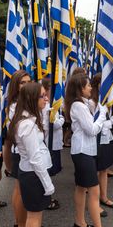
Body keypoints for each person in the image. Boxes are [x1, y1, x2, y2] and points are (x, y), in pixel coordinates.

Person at [65, 73, 113, 227]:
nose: (91, 88)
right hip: (83, 152)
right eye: (87, 86)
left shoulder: (83, 103)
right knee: (94, 192)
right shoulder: (78, 105)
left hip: (85, 151)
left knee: (81, 187)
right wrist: (102, 115)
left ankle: (79, 222)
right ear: (80, 89)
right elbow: (92, 130)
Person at [8, 82, 57, 227]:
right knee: (33, 215)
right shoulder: (27, 125)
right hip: (33, 175)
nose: (46, 98)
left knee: (38, 211)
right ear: (31, 99)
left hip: (34, 172)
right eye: (42, 96)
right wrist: (48, 183)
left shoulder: (29, 119)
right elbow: (35, 158)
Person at [6, 70, 31, 227]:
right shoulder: (16, 104)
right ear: (16, 85)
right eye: (23, 83)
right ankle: (21, 224)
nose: (27, 85)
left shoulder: (24, 101)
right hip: (20, 150)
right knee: (20, 189)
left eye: (29, 82)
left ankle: (19, 221)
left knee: (19, 187)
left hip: (23, 149)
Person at [90, 73, 113, 215]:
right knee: (95, 170)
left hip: (106, 138)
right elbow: (94, 125)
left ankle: (104, 197)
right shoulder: (92, 102)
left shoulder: (108, 99)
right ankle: (94, 203)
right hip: (95, 140)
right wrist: (110, 121)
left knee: (104, 169)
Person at [42, 77, 64, 210]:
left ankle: (47, 196)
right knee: (47, 171)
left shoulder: (53, 103)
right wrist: (61, 119)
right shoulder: (46, 105)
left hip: (54, 142)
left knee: (51, 170)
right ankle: (46, 198)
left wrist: (60, 118)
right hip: (48, 142)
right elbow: (54, 124)